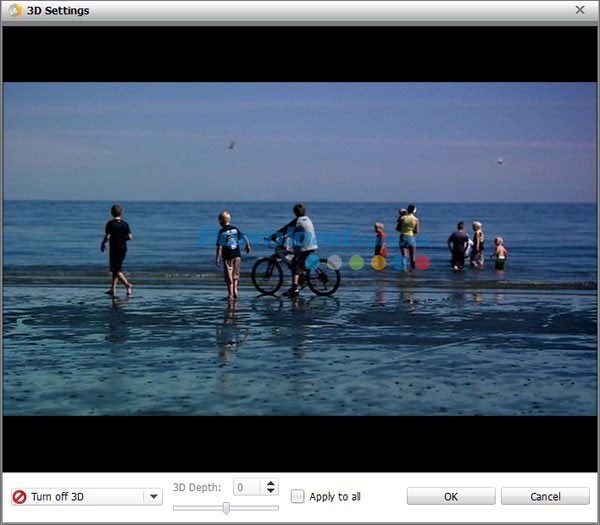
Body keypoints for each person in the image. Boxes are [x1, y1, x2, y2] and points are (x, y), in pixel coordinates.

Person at [272, 203, 318, 297]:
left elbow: (285, 229)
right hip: (311, 245)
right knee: (298, 262)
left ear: (295, 213)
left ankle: (294, 289)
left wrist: (274, 235)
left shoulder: (298, 221)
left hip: (304, 248)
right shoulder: (307, 219)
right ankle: (301, 278)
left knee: (295, 266)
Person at [215, 211, 252, 300]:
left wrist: (217, 258)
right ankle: (235, 291)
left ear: (220, 221)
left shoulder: (222, 231)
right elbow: (244, 236)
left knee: (229, 277)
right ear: (229, 220)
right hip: (237, 256)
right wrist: (248, 245)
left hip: (227, 257)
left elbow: (219, 246)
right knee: (235, 275)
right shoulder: (235, 229)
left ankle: (230, 294)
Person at [101, 204, 133, 296]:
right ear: (121, 213)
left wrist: (103, 243)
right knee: (117, 268)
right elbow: (130, 237)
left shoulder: (110, 224)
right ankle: (113, 288)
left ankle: (127, 285)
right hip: (123, 248)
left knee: (115, 269)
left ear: (111, 213)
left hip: (114, 248)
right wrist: (122, 238)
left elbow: (108, 236)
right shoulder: (125, 224)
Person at [398, 204, 419, 270]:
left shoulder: (402, 218)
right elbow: (417, 231)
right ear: (414, 211)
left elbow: (398, 228)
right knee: (412, 256)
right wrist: (411, 230)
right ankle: (413, 269)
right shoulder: (416, 219)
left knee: (404, 256)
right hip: (411, 237)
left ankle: (404, 270)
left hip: (403, 236)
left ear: (407, 209)